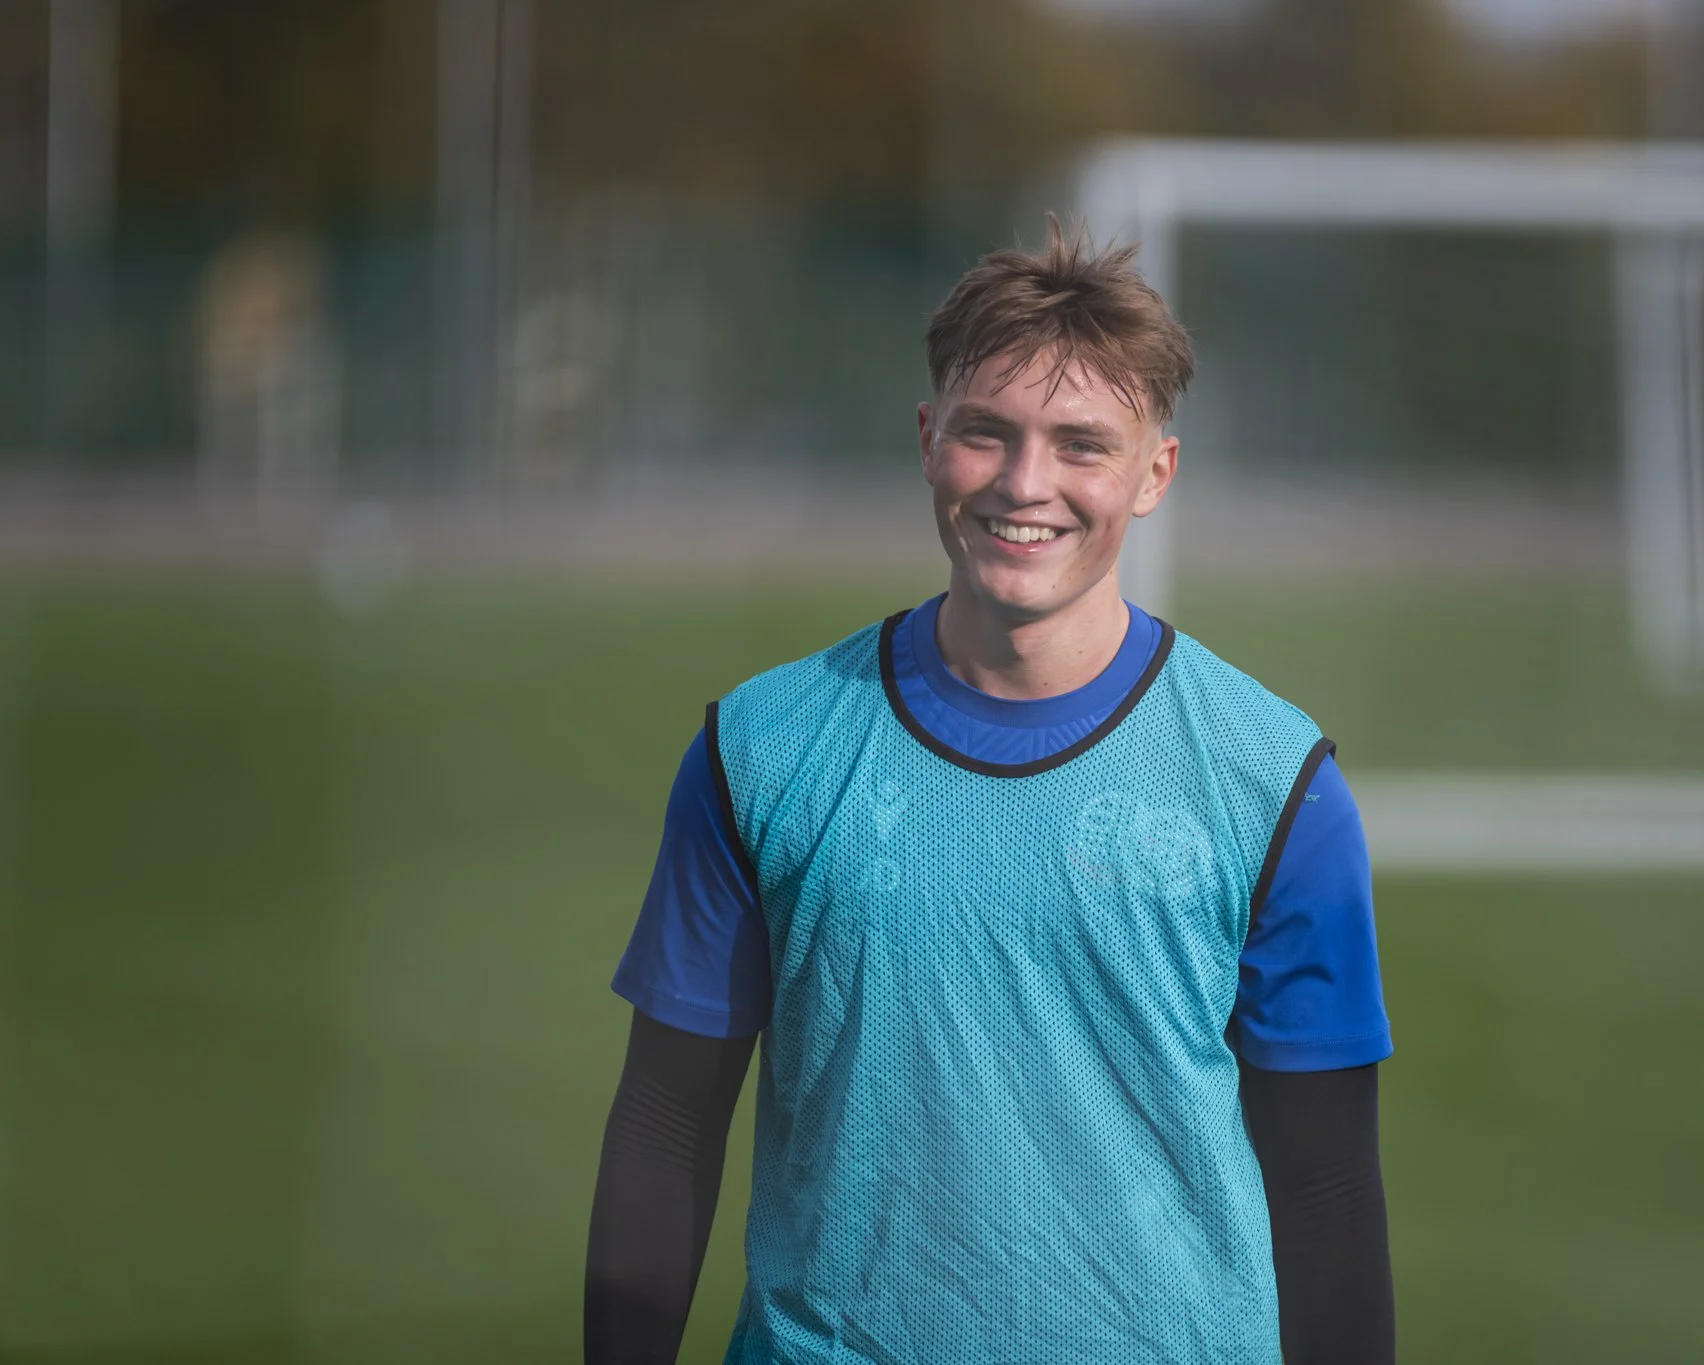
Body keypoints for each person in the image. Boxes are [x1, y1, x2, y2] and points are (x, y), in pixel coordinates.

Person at [585, 222, 1394, 1365]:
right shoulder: (760, 750)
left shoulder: (1275, 782)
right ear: (928, 440)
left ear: (1153, 473)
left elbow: (1325, 1193)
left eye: (1080, 446)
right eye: (986, 433)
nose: (1025, 484)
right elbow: (668, 1124)